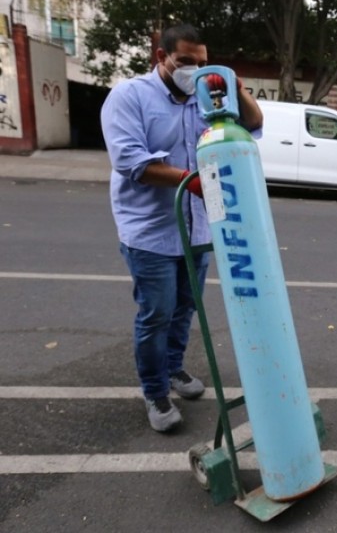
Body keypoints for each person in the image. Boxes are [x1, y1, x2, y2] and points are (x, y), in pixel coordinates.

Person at [101, 23, 263, 432]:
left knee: (185, 308)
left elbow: (253, 126)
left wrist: (235, 86)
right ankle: (155, 392)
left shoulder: (205, 100)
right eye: (186, 62)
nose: (194, 71)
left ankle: (174, 369)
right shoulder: (129, 97)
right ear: (162, 58)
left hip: (198, 230)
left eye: (203, 64)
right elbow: (132, 163)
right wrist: (193, 181)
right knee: (156, 313)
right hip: (150, 231)